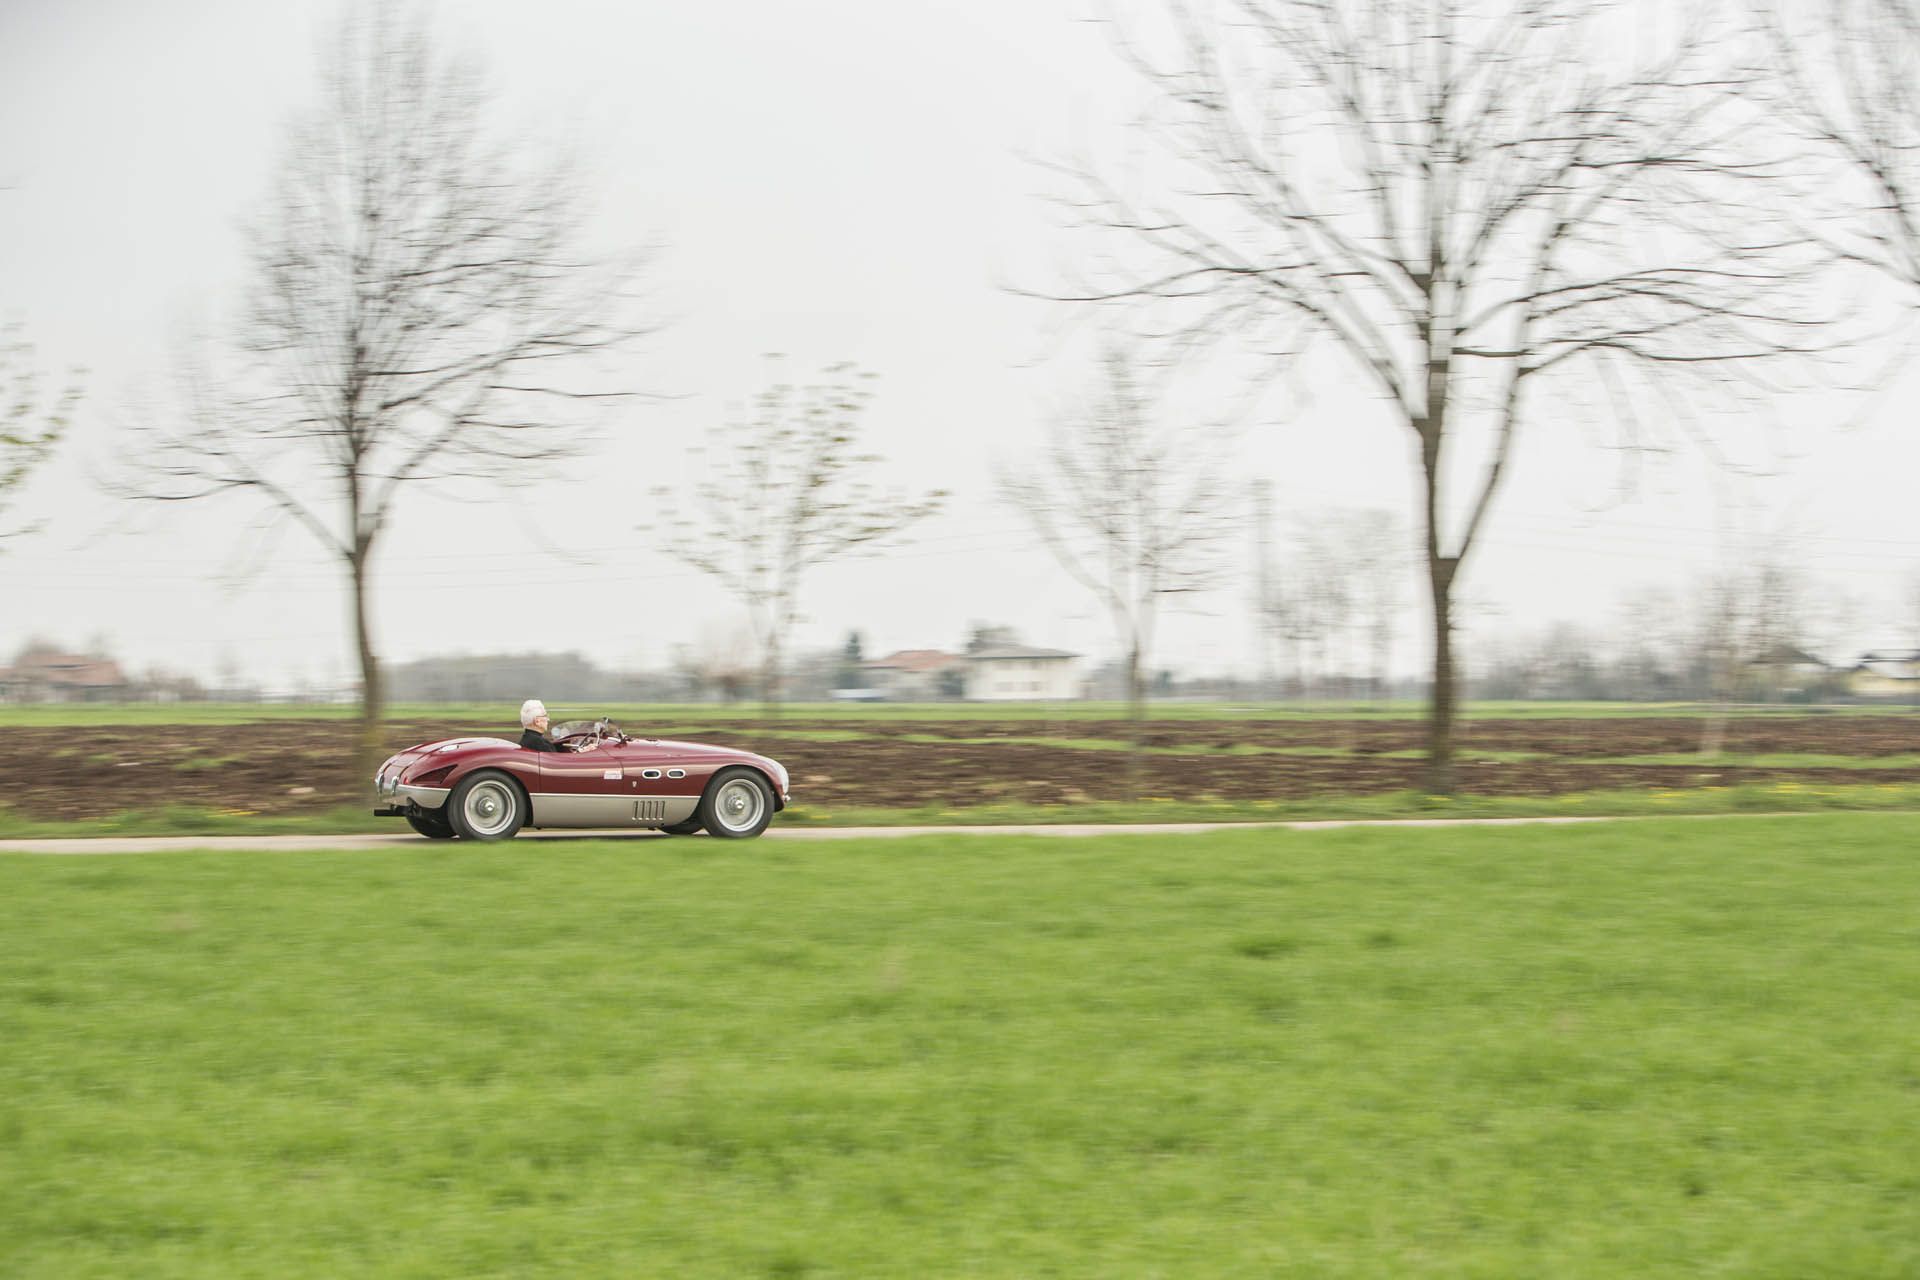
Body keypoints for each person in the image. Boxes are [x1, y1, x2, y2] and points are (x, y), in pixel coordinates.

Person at [518, 698, 594, 752]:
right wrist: (584, 751)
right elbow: (560, 762)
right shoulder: (539, 743)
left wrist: (580, 750)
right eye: (545, 716)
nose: (548, 719)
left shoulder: (528, 739)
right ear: (537, 721)